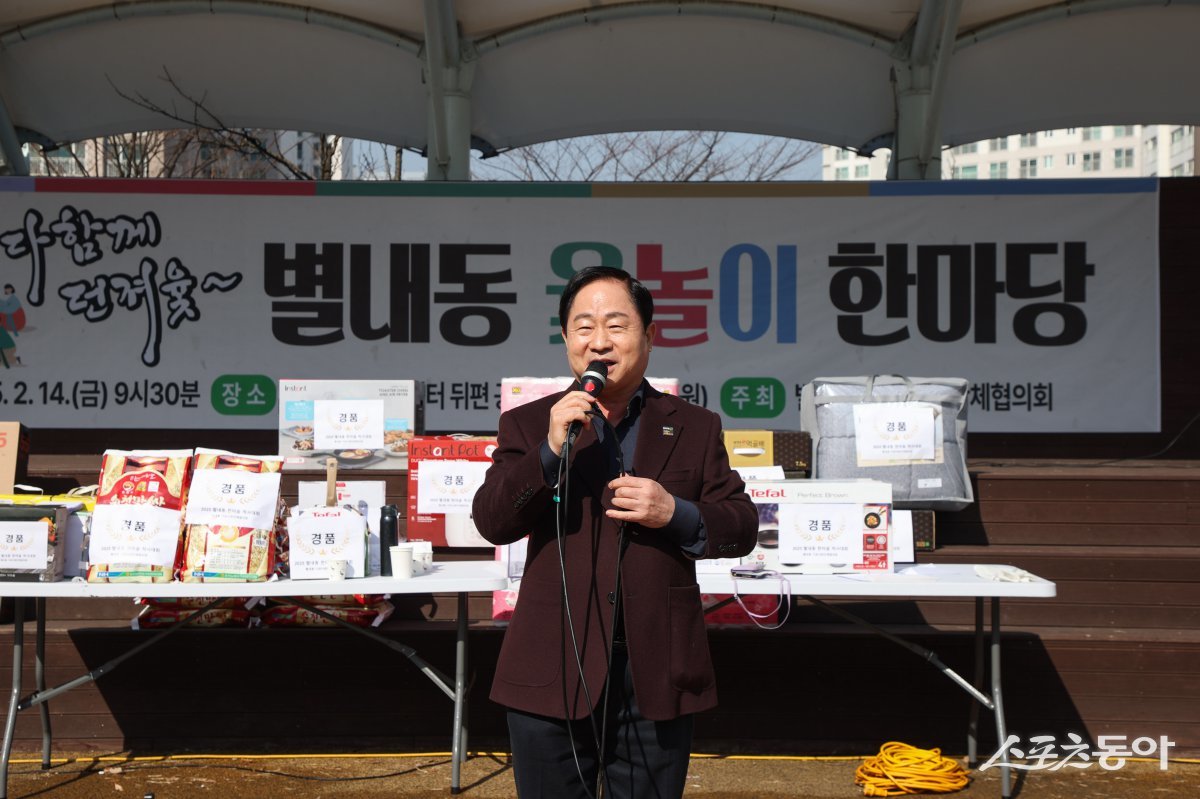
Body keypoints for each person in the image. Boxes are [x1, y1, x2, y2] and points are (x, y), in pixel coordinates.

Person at [473, 266, 758, 799]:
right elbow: (492, 518)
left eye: (616, 326)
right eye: (583, 327)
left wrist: (674, 511)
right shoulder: (532, 423)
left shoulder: (694, 426)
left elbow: (740, 525)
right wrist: (549, 450)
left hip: (653, 668)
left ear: (649, 337)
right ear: (566, 341)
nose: (598, 342)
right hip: (550, 663)